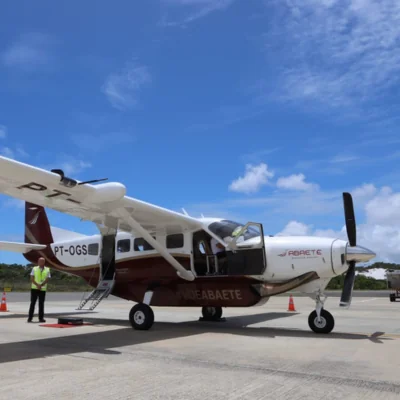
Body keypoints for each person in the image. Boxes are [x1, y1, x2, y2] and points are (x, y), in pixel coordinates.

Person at [28, 257, 51, 323]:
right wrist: (37, 285)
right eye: (39, 261)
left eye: (42, 261)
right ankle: (30, 318)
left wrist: (42, 285)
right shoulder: (34, 268)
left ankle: (41, 318)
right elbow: (32, 278)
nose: (40, 262)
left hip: (42, 289)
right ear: (38, 262)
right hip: (34, 288)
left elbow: (47, 278)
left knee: (41, 304)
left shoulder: (47, 269)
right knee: (32, 303)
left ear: (44, 262)